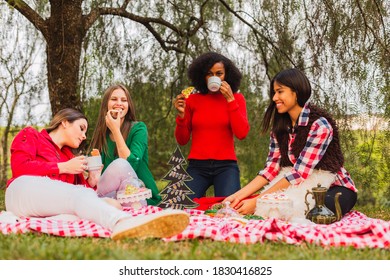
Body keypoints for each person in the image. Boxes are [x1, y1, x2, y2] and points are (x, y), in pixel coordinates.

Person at [5, 108, 189, 240]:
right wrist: (63, 167)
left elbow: (79, 193)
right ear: (64, 122)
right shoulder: (32, 135)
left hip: (49, 208)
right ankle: (120, 222)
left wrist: (92, 181)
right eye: (81, 127)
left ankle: (132, 219)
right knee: (84, 198)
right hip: (22, 191)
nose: (84, 135)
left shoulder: (69, 156)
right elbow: (21, 168)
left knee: (88, 199)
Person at [224, 68, 358, 218]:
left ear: (297, 92)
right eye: (274, 93)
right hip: (296, 183)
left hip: (333, 186)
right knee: (275, 209)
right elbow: (270, 170)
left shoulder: (320, 126)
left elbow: (300, 172)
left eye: (280, 92)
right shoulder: (279, 129)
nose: (274, 98)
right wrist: (237, 196)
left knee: (314, 214)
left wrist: (258, 201)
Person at [173, 52, 250, 199]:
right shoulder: (193, 100)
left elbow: (242, 134)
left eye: (219, 73)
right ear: (203, 76)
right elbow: (182, 140)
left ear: (227, 75)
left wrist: (230, 100)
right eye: (209, 74)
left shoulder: (237, 99)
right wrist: (181, 117)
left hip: (226, 167)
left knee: (228, 209)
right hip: (197, 166)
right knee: (183, 206)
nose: (214, 77)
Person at [89, 84, 161, 205]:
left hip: (140, 197)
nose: (119, 103)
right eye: (114, 99)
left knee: (121, 164)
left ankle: (94, 203)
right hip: (115, 197)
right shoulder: (102, 135)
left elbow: (131, 165)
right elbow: (101, 175)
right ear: (106, 104)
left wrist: (116, 130)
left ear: (129, 105)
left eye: (124, 100)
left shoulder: (139, 129)